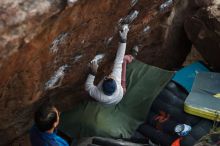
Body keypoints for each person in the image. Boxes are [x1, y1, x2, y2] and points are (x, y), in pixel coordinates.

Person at [85, 24, 133, 105]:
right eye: (110, 78)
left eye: (107, 78)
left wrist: (92, 73)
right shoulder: (117, 81)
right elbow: (119, 60)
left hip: (111, 101)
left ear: (101, 87)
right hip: (120, 94)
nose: (109, 76)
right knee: (122, 64)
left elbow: (88, 87)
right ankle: (132, 56)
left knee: (122, 86)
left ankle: (130, 57)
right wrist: (123, 40)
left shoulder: (99, 96)